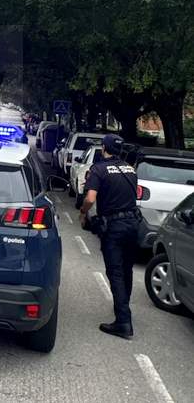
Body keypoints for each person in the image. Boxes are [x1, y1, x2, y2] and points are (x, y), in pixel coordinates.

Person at [79, 134, 140, 339]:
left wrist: (83, 212)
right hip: (133, 224)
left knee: (115, 272)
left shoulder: (99, 169)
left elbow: (90, 198)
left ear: (104, 148)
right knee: (126, 269)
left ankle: (123, 321)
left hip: (114, 226)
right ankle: (123, 307)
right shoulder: (130, 169)